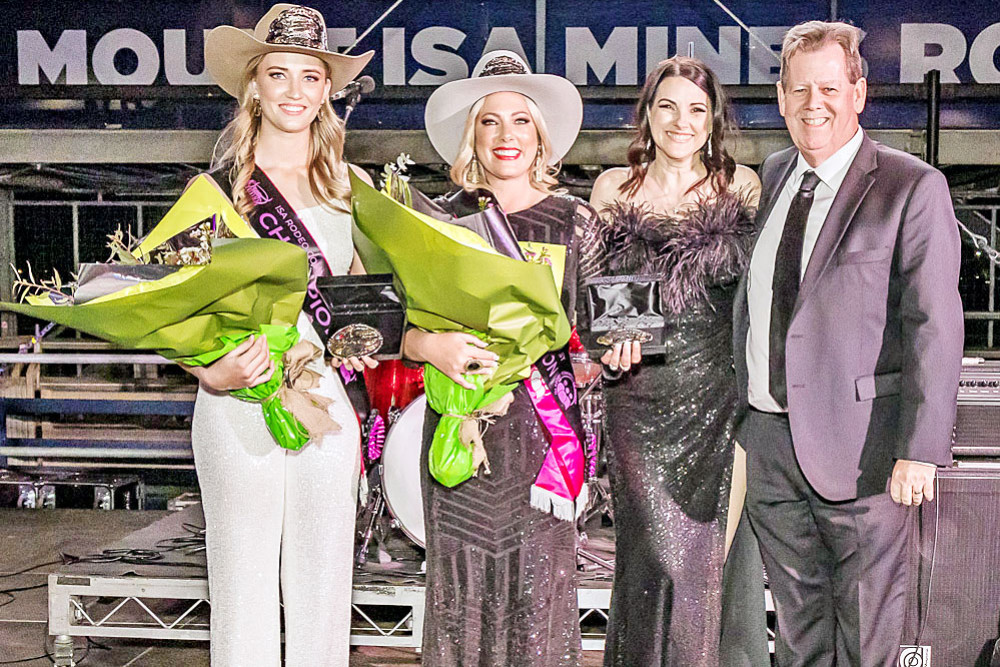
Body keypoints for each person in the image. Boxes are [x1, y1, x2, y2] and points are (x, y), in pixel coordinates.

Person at [733, 20, 963, 666]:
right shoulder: (774, 175)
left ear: (859, 92)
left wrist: (920, 449)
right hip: (773, 451)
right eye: (799, 90)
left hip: (866, 457)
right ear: (780, 99)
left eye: (830, 88)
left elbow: (935, 323)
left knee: (866, 644)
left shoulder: (910, 187)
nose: (815, 104)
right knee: (800, 638)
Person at [189, 5, 375, 666]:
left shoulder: (356, 191)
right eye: (278, 74)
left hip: (323, 394)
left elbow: (359, 297)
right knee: (241, 592)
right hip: (237, 393)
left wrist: (364, 338)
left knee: (324, 592)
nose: (294, 90)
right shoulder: (212, 191)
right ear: (254, 87)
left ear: (327, 90)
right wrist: (210, 372)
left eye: (309, 76)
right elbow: (180, 308)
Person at [403, 50, 600, 666]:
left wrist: (596, 357)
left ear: (541, 137)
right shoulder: (437, 221)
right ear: (472, 136)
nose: (506, 136)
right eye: (490, 121)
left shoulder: (576, 222)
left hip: (542, 441)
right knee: (459, 597)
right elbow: (392, 327)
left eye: (521, 121)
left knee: (538, 603)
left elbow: (597, 338)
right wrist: (430, 345)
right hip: (459, 436)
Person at [588, 56, 768, 667]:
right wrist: (606, 346)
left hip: (720, 397)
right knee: (652, 553)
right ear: (648, 114)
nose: (680, 121)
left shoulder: (741, 185)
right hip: (637, 395)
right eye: (667, 105)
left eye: (696, 109)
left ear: (714, 120)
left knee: (708, 556)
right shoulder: (614, 188)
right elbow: (599, 295)